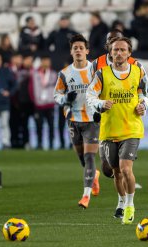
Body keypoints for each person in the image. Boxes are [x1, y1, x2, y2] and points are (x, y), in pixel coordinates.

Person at [87, 37, 148, 224]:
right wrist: (100, 103)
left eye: (122, 50)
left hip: (132, 128)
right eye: (115, 50)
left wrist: (144, 105)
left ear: (129, 53)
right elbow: (90, 94)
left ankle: (131, 204)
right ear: (110, 53)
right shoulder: (102, 74)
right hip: (109, 130)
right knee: (115, 172)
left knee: (126, 169)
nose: (119, 53)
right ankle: (122, 202)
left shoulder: (138, 71)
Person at [54, 34, 100, 209]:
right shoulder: (65, 74)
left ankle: (85, 195)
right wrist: (66, 98)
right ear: (71, 51)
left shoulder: (96, 71)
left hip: (92, 121)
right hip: (74, 120)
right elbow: (56, 96)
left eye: (81, 48)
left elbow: (104, 92)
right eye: (75, 48)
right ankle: (94, 176)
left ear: (87, 51)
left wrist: (100, 111)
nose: (78, 50)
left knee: (89, 157)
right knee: (82, 158)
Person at [30, 55, 57, 150]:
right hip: (39, 104)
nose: (46, 63)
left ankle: (51, 143)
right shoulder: (35, 74)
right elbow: (31, 88)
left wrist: (55, 100)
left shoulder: (54, 74)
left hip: (50, 104)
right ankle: (39, 143)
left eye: (47, 61)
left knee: (51, 125)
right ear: (41, 62)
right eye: (44, 61)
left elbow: (58, 89)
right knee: (38, 125)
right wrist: (34, 100)